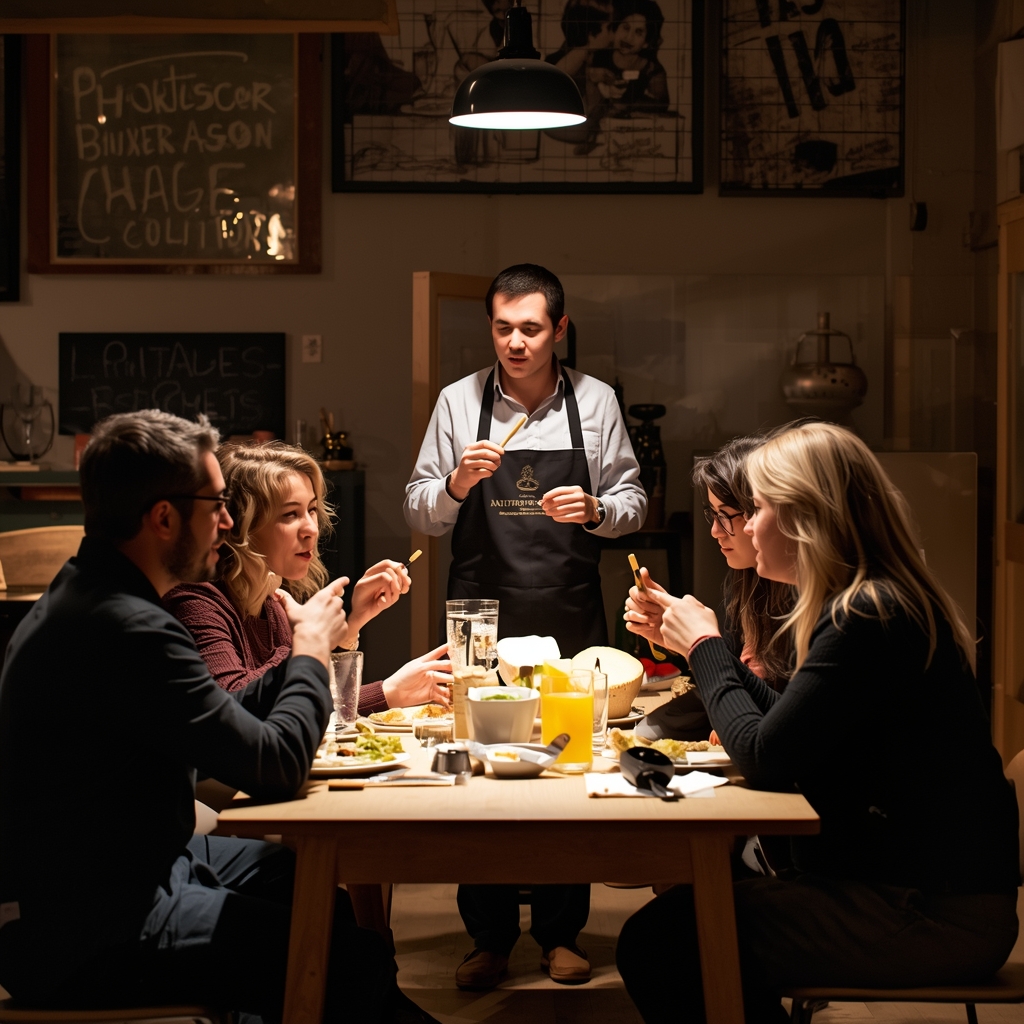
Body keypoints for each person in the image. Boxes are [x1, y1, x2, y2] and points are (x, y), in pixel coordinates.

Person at [0, 410, 434, 1024]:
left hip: (141, 865)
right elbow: (277, 767)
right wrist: (309, 650)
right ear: (164, 518)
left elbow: (225, 714)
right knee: (342, 954)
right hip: (85, 931)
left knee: (308, 887)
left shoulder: (97, 597)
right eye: (215, 505)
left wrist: (310, 648)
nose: (228, 523)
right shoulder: (130, 629)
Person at [618, 420, 1019, 1023]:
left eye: (758, 508)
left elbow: (767, 755)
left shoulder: (870, 614)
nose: (748, 526)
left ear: (809, 516)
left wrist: (706, 648)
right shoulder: (867, 601)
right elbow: (788, 727)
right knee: (690, 922)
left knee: (666, 941)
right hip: (917, 888)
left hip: (935, 912)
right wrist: (700, 651)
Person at [405, 263, 647, 990]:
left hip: (568, 608)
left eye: (531, 329)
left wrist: (598, 511)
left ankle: (560, 932)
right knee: (479, 764)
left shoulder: (597, 402)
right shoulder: (458, 402)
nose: (516, 342)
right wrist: (456, 484)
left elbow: (635, 500)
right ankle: (487, 938)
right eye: (504, 328)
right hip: (481, 606)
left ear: (560, 330)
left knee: (569, 763)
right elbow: (418, 511)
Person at [165, 442, 453, 716]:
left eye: (312, 510)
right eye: (290, 514)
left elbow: (308, 697)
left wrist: (352, 624)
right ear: (240, 525)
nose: (312, 529)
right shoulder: (195, 602)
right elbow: (236, 706)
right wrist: (385, 690)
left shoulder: (270, 599)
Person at [636, 434, 793, 744]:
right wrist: (680, 641)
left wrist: (702, 645)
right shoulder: (747, 585)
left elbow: (781, 735)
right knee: (648, 731)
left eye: (727, 515)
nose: (714, 530)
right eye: (712, 513)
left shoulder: (819, 603)